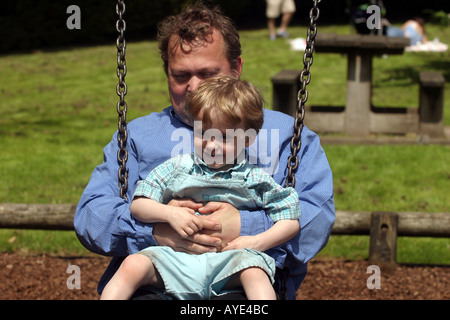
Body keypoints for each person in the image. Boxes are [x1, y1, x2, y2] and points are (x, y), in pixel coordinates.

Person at [74, 1, 335, 300]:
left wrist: (243, 225)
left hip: (239, 284)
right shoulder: (137, 135)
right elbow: (91, 216)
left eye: (207, 74)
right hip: (155, 282)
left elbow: (318, 218)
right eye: (181, 75)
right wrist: (155, 231)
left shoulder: (286, 134)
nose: (194, 88)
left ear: (236, 68)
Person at [100, 76, 301, 300]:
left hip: (230, 261)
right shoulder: (177, 167)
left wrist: (256, 242)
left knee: (255, 273)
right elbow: (139, 205)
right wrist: (169, 214)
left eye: (224, 137)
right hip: (174, 260)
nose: (211, 144)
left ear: (247, 140)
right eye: (203, 133)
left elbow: (290, 219)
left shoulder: (254, 178)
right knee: (132, 264)